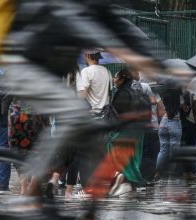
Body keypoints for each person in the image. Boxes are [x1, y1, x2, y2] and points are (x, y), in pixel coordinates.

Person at [106, 68, 148, 196]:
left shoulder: (121, 93)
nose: (114, 80)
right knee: (134, 157)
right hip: (139, 131)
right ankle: (131, 181)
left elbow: (118, 113)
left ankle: (123, 176)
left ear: (122, 79)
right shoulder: (138, 90)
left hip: (125, 130)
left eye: (116, 77)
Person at [155, 88, 182, 180]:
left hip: (163, 121)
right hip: (175, 121)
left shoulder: (164, 93)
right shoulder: (176, 94)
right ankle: (171, 174)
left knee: (163, 150)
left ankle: (158, 173)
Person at [76, 50, 111, 116]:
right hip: (105, 113)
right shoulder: (106, 71)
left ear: (88, 55)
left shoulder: (86, 71)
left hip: (92, 113)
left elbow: (82, 96)